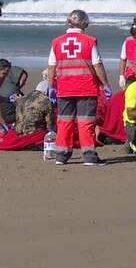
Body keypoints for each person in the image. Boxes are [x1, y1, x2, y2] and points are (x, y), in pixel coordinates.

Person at [47, 9, 112, 166]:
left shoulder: (57, 42)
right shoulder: (89, 41)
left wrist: (51, 86)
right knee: (85, 122)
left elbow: (51, 66)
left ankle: (61, 156)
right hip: (86, 87)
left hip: (64, 88)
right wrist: (105, 84)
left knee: (64, 122)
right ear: (84, 23)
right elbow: (97, 65)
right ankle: (89, 157)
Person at [118, 16, 136, 89]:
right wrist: (121, 76)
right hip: (131, 75)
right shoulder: (127, 42)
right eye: (135, 37)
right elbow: (123, 59)